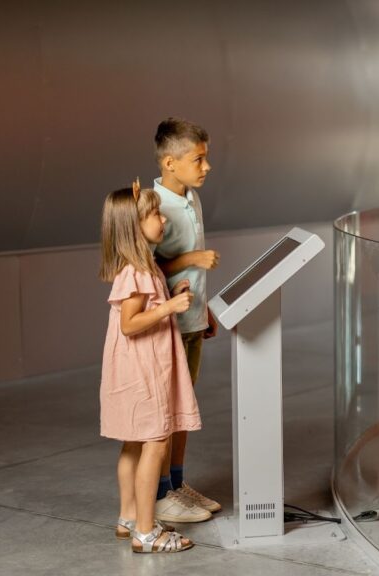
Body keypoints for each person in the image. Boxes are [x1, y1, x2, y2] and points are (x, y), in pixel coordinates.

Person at [99, 184, 200, 553]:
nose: (163, 220)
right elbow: (130, 324)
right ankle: (146, 532)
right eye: (155, 215)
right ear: (134, 226)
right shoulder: (138, 271)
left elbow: (142, 310)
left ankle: (128, 517)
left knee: (133, 444)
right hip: (144, 369)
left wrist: (170, 296)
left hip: (135, 368)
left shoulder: (142, 267)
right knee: (156, 443)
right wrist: (169, 308)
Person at [151, 117, 222, 522]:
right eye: (198, 159)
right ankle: (160, 493)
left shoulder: (191, 198)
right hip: (166, 326)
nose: (206, 166)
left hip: (191, 321)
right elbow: (144, 269)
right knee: (167, 412)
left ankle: (176, 485)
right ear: (169, 163)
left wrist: (203, 308)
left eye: (205, 157)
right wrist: (192, 258)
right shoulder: (153, 206)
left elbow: (189, 274)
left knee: (184, 411)